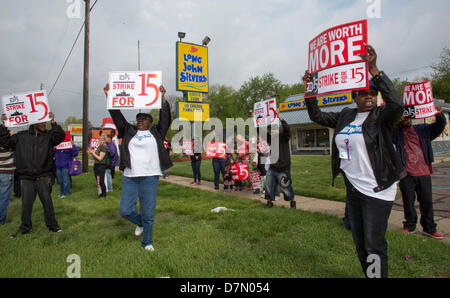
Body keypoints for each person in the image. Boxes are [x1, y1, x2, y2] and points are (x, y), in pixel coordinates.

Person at [303, 43, 406, 278]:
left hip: (377, 189)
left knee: (374, 245)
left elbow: (397, 105)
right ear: (355, 96)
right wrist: (311, 87)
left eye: (372, 93)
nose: (369, 97)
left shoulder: (382, 117)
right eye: (363, 93)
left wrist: (374, 69)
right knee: (360, 244)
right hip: (354, 188)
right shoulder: (346, 116)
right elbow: (316, 115)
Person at [104, 83, 172, 252]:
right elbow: (117, 116)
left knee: (149, 212)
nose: (140, 120)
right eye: (138, 118)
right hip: (130, 177)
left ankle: (147, 242)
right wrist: (109, 95)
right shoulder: (128, 130)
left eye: (144, 118)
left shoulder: (156, 132)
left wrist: (163, 99)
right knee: (125, 210)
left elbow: (166, 119)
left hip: (150, 177)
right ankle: (139, 222)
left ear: (150, 122)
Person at [0, 112, 65, 235]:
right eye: (42, 121)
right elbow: (4, 141)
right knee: (26, 204)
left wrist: (53, 122)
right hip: (26, 177)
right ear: (34, 122)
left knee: (47, 203)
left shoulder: (49, 136)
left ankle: (53, 226)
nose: (44, 123)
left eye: (45, 121)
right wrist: (4, 125)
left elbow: (60, 136)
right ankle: (25, 227)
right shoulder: (21, 136)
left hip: (43, 176)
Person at [393, 106, 446, 240]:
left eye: (408, 116)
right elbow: (384, 128)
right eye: (403, 116)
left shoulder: (423, 129)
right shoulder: (396, 133)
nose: (406, 118)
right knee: (408, 201)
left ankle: (429, 228)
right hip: (406, 174)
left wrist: (439, 114)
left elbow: (439, 126)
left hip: (423, 173)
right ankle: (410, 225)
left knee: (427, 201)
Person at [264, 109, 296, 209]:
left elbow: (287, 129)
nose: (271, 132)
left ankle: (292, 202)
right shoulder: (270, 138)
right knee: (269, 185)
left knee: (286, 186)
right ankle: (269, 202)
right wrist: (256, 119)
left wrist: (279, 117)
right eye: (270, 130)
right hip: (272, 167)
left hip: (283, 167)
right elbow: (260, 131)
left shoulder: (283, 136)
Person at [0, 130, 15, 226]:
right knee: (4, 197)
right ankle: (1, 219)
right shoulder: (8, 143)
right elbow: (17, 146)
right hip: (6, 172)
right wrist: (13, 135)